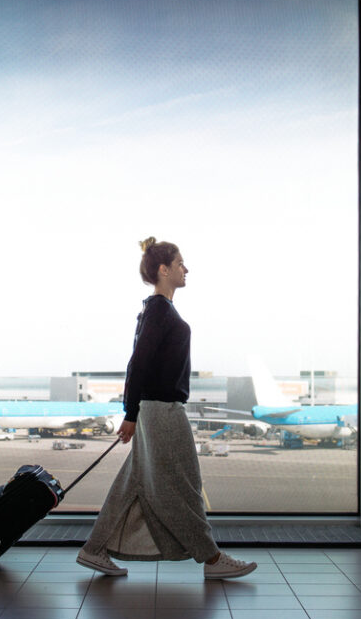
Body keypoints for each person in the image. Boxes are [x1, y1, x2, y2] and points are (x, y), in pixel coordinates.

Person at [76, 237, 257, 579]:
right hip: (161, 410)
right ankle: (212, 559)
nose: (185, 269)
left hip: (156, 409)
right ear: (163, 269)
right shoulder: (158, 309)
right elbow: (138, 363)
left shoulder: (160, 309)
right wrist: (130, 414)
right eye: (180, 264)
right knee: (182, 483)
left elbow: (140, 364)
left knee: (134, 482)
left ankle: (93, 549)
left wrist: (134, 412)